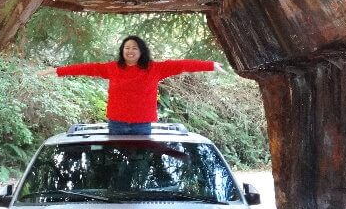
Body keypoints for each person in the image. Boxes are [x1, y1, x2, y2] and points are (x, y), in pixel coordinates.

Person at [43, 35, 220, 135]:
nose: (130, 51)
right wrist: (58, 70)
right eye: (127, 47)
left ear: (141, 51)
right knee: (116, 163)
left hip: (142, 125)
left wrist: (210, 65)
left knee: (140, 164)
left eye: (135, 48)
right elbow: (86, 68)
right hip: (116, 124)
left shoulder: (155, 69)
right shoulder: (112, 68)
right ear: (122, 51)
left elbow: (182, 65)